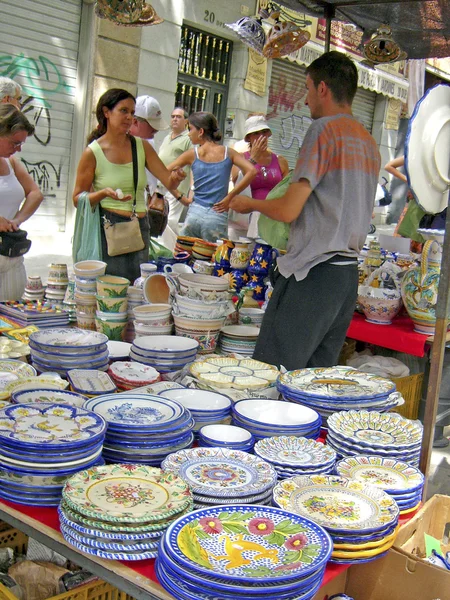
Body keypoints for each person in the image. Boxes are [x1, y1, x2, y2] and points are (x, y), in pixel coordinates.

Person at [229, 51, 381, 370]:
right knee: (311, 384)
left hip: (313, 274)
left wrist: (249, 202)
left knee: (273, 375)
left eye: (308, 89)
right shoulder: (368, 142)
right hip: (345, 278)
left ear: (323, 88)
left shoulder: (323, 131)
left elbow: (288, 210)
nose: (305, 99)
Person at [72, 89, 185, 283]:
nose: (129, 117)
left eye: (132, 113)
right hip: (109, 230)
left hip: (140, 228)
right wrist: (102, 194)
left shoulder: (141, 146)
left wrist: (177, 177)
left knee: (136, 288)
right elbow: (77, 198)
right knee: (111, 290)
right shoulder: (93, 152)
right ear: (106, 112)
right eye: (123, 111)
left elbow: (168, 181)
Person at [168, 111, 256, 243]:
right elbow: (252, 171)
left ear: (201, 131)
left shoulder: (193, 154)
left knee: (183, 257)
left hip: (194, 214)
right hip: (217, 216)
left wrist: (179, 195)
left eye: (190, 129)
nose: (188, 133)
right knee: (214, 259)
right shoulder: (228, 153)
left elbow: (164, 171)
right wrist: (230, 197)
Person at [0, 105, 44, 301]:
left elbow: (35, 193)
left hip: (10, 254)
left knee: (13, 321)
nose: (18, 148)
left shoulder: (11, 162)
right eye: (14, 142)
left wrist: (17, 220)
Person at [238, 114, 289, 237]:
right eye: (256, 133)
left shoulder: (279, 160)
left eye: (264, 132)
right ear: (249, 137)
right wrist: (253, 159)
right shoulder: (240, 158)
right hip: (246, 219)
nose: (261, 137)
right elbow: (237, 183)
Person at [158, 107, 192, 236]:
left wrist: (191, 190)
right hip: (161, 184)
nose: (175, 119)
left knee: (170, 220)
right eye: (173, 116)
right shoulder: (167, 137)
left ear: (186, 121)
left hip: (177, 186)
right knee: (159, 217)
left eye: (178, 117)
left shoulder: (188, 139)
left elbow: (192, 164)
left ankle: (174, 248)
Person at [129, 95, 169, 196]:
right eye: (152, 125)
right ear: (135, 122)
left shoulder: (149, 142)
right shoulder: (119, 143)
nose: (156, 130)